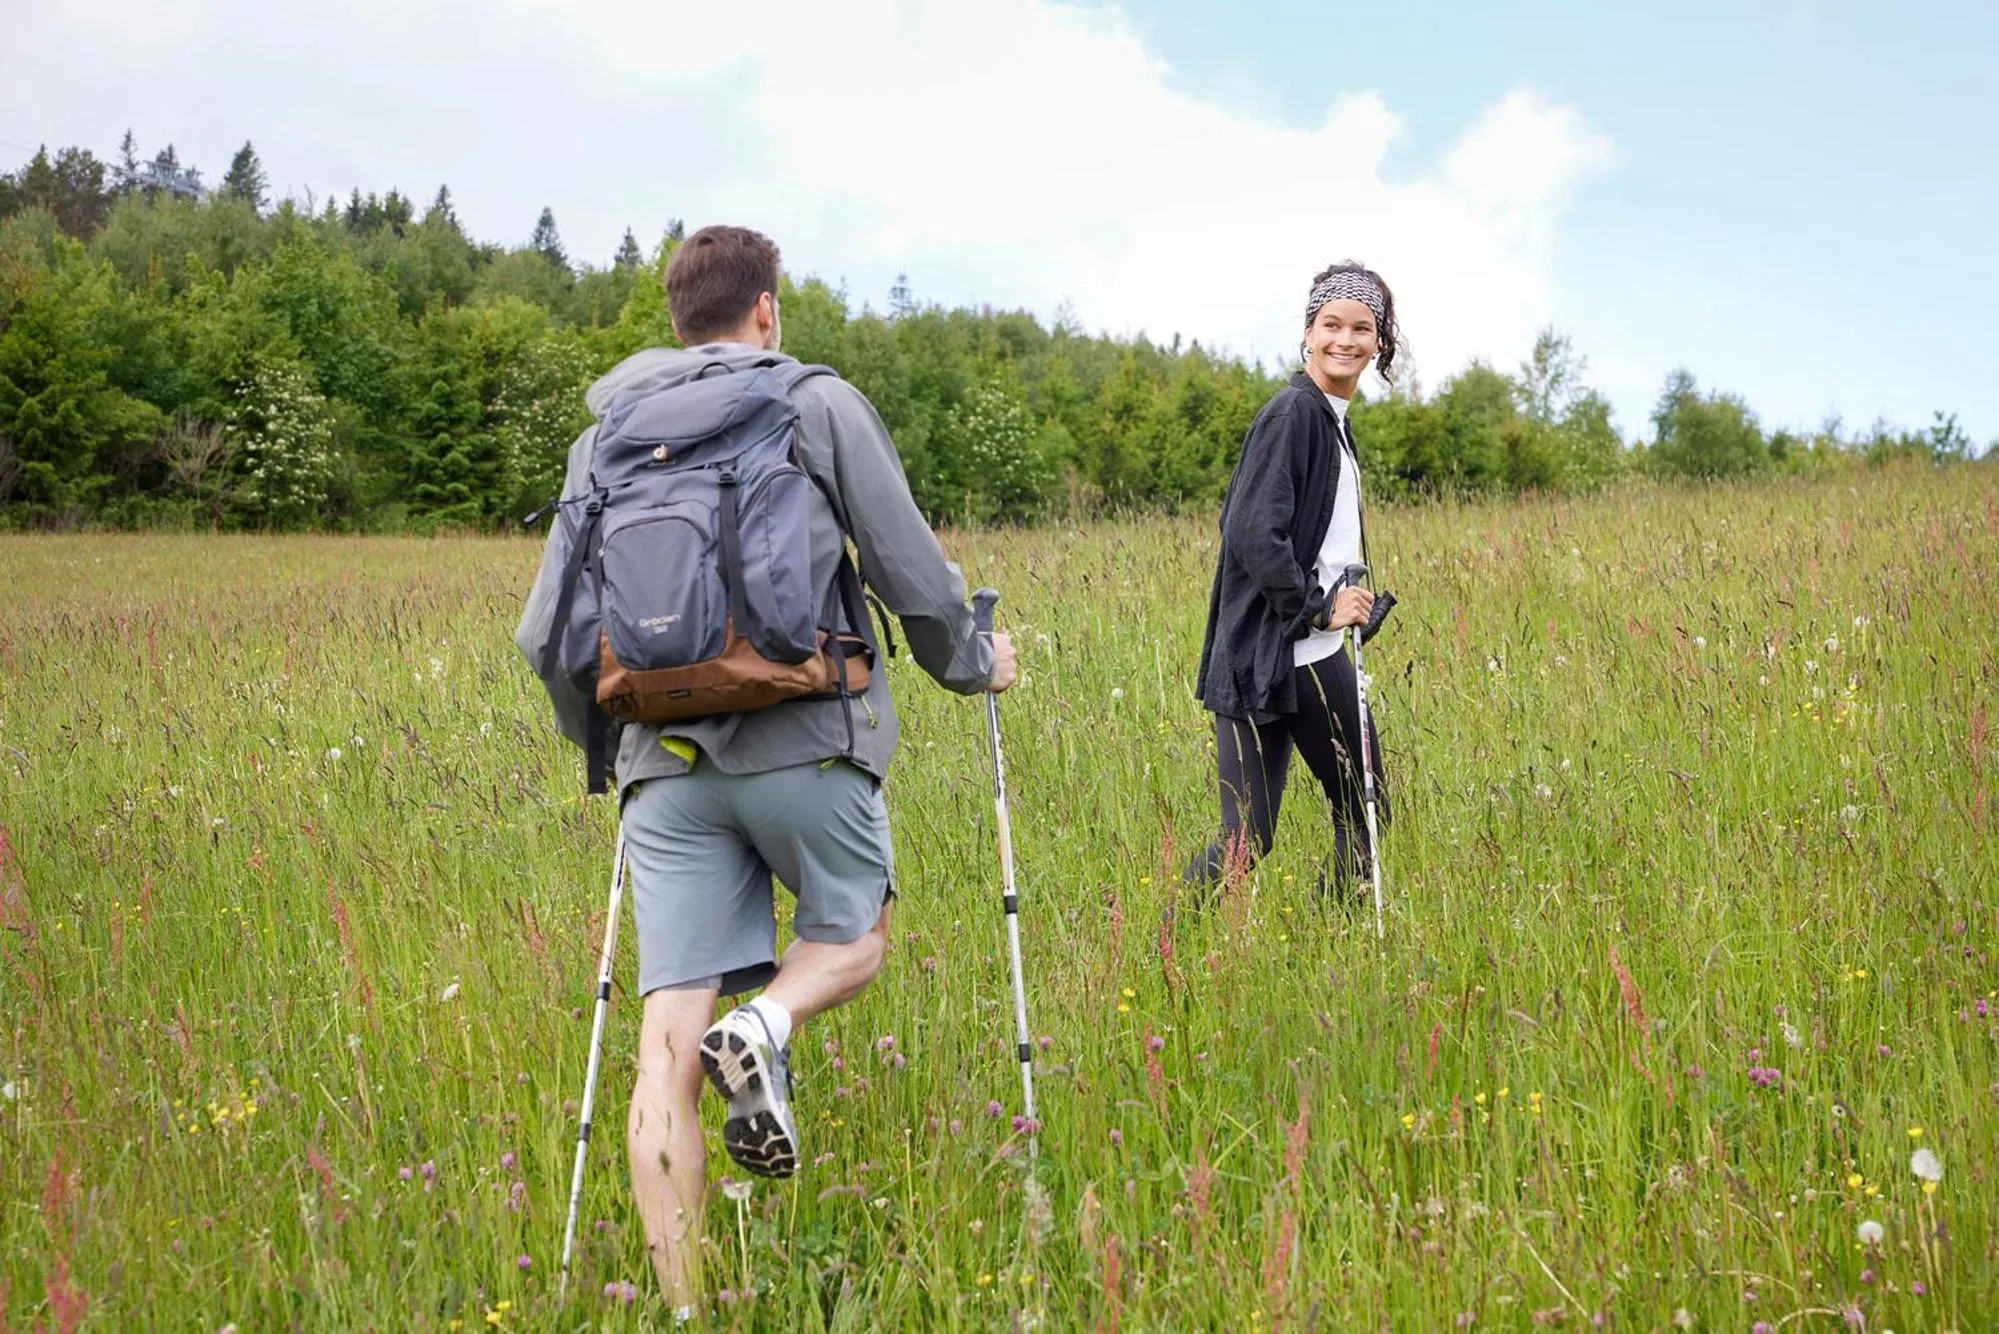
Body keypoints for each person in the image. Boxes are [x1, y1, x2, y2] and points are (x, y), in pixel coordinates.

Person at [515, 225, 1016, 1316]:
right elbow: (912, 575)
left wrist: (608, 748)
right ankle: (767, 1024)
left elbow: (547, 633)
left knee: (663, 1053)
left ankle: (685, 1307)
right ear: (765, 310)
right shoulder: (814, 402)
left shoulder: (603, 438)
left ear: (676, 319)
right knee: (852, 941)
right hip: (806, 733)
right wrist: (977, 664)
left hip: (662, 764)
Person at [1184, 260, 1397, 895]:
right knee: (1249, 838)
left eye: (1361, 328)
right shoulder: (1293, 414)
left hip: (1315, 653)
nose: (1345, 339)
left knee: (1364, 810)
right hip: (1267, 656)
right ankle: (1161, 944)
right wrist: (1316, 607)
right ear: (1308, 333)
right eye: (1331, 324)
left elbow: (1315, 540)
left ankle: (1335, 939)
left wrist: (1345, 604)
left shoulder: (1330, 419)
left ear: (1378, 342)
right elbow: (1252, 530)